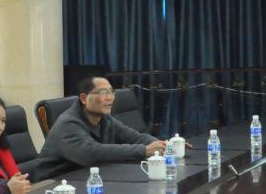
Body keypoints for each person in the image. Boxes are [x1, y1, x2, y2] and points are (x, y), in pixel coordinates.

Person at [29, 77, 168, 181]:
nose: (110, 98)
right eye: (102, 93)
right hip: (54, 187)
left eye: (111, 92)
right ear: (84, 99)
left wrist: (161, 145)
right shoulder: (68, 124)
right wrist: (144, 150)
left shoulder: (105, 119)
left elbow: (135, 137)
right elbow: (93, 153)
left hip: (87, 179)